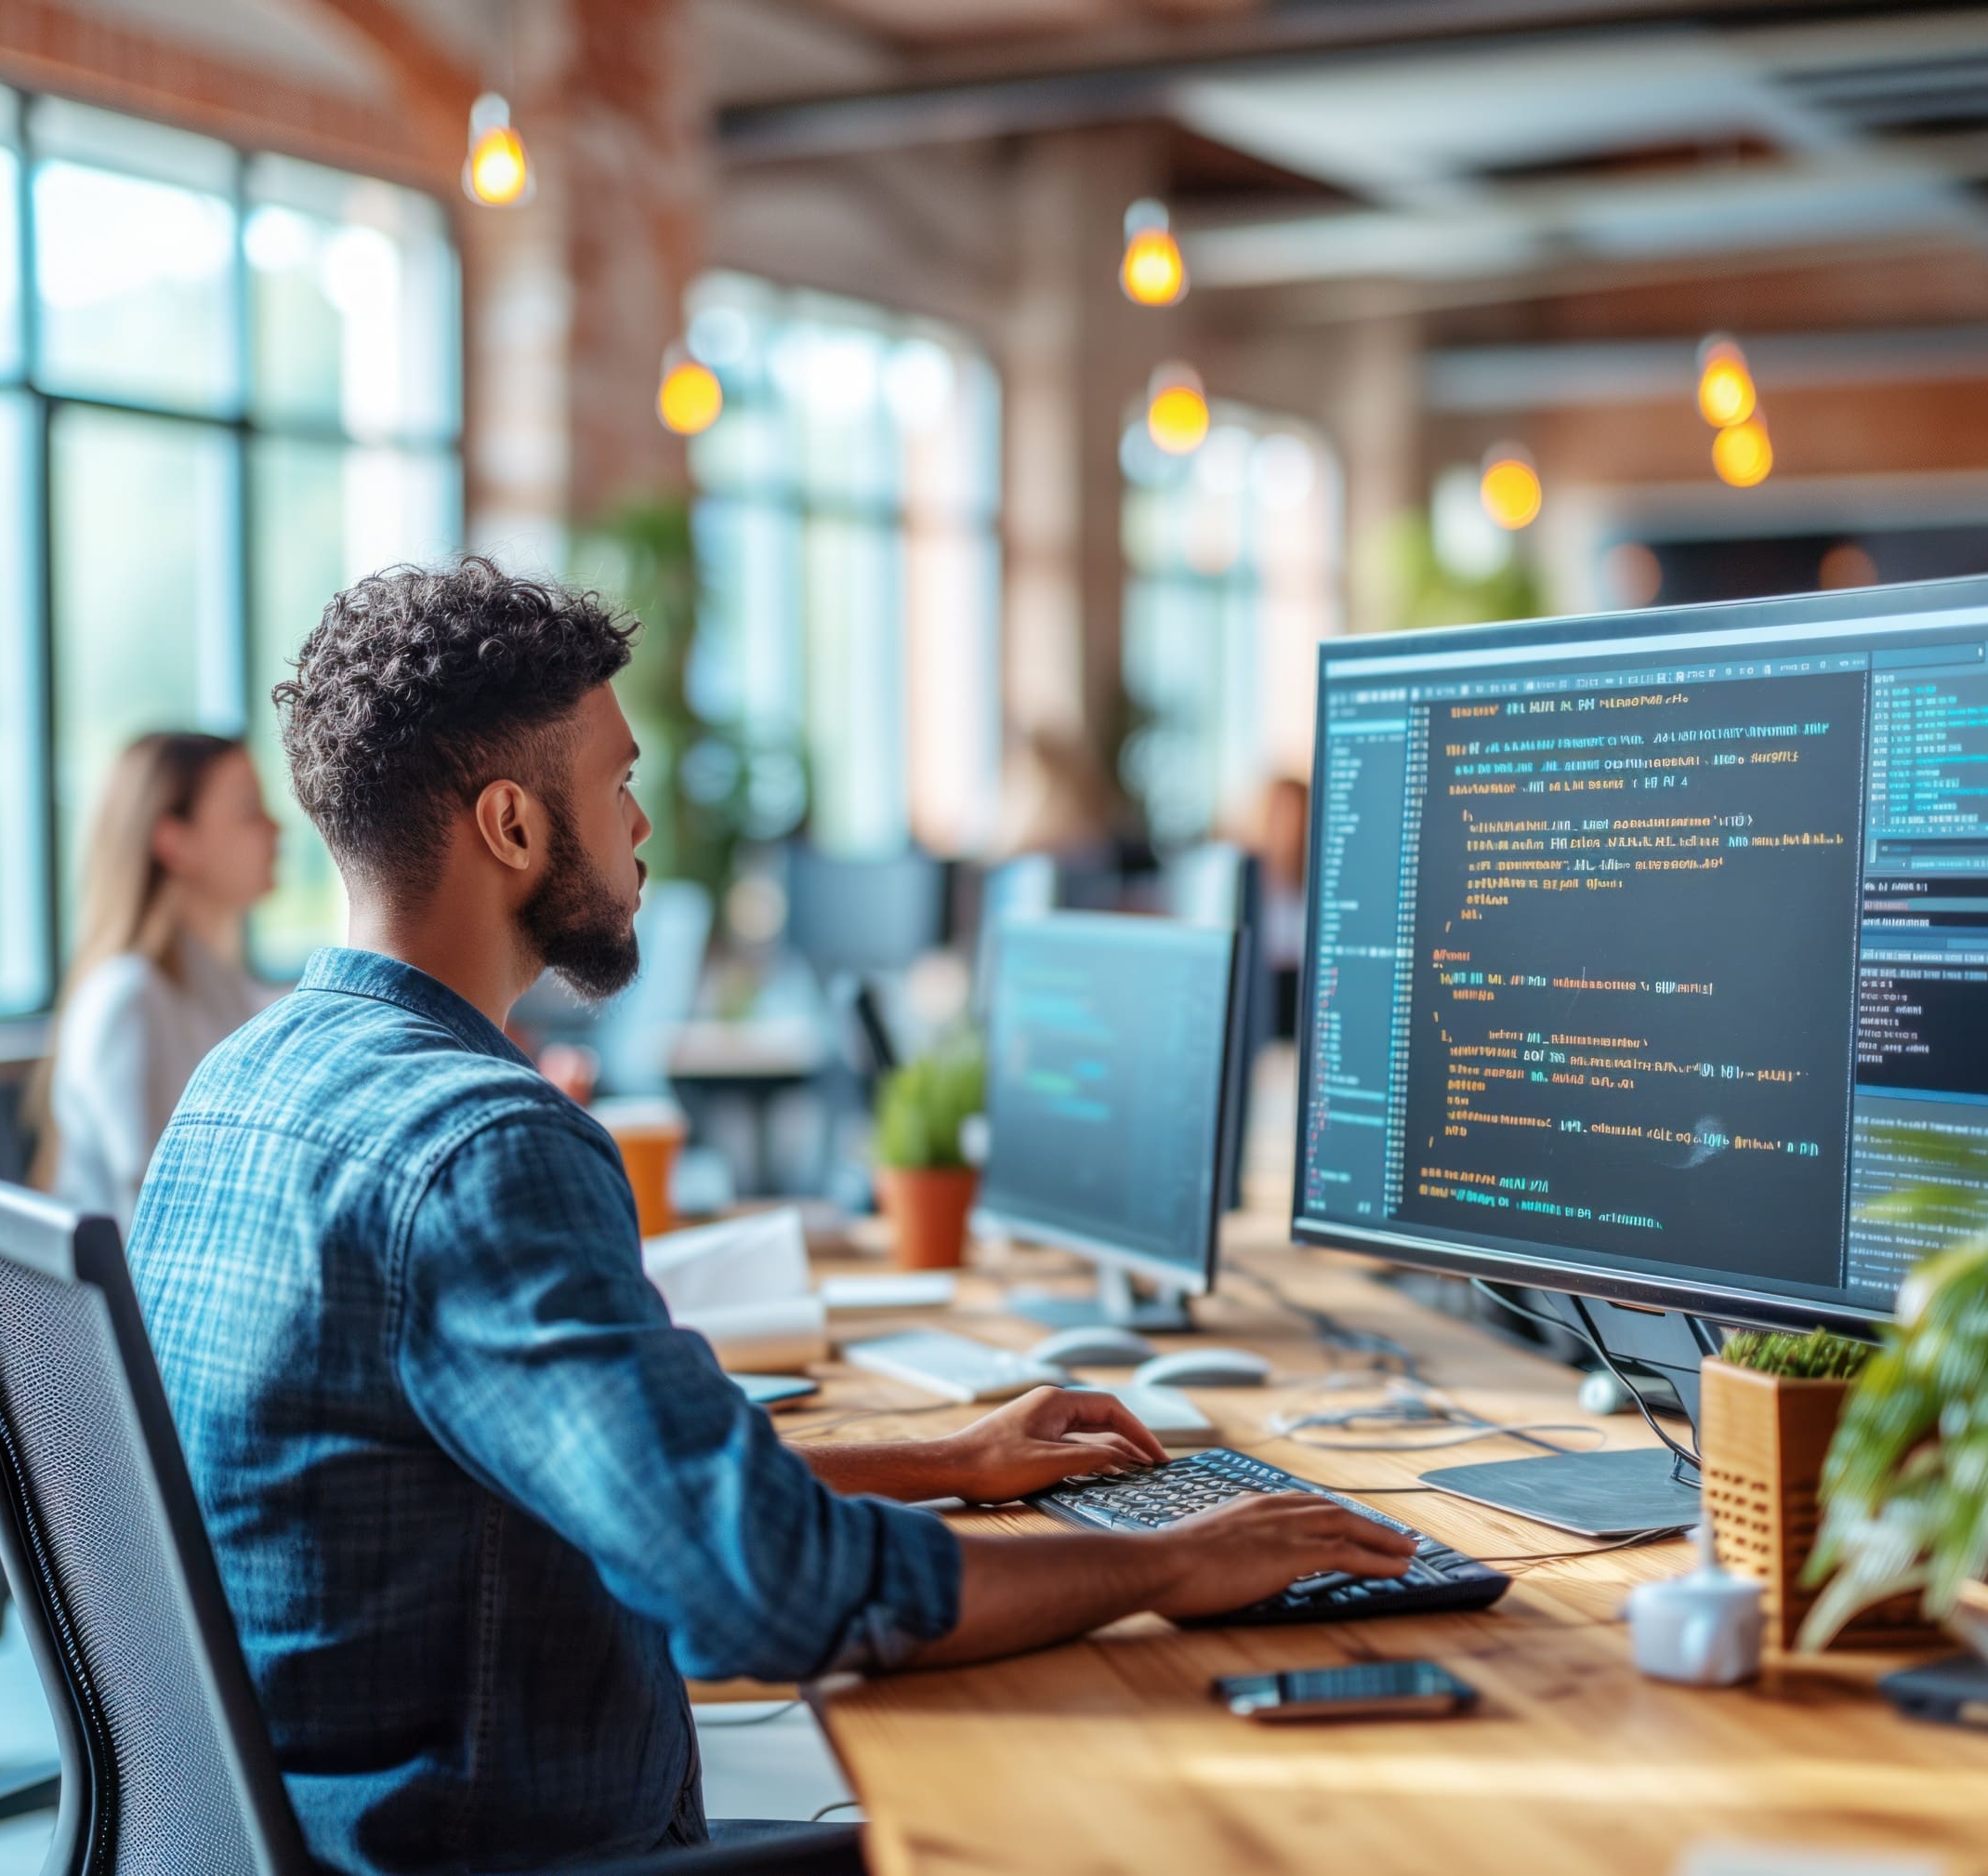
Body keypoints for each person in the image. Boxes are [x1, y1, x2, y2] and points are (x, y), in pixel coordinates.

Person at [126, 560, 1415, 1876]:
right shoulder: (486, 1145)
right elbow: (765, 1591)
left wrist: (949, 1458)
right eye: (618, 785)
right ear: (509, 824)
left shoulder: (237, 1081)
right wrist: (1174, 1565)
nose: (640, 827)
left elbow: (633, 1485)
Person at [41, 731, 283, 1222]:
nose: (275, 827)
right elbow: (161, 1216)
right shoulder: (129, 1000)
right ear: (174, 842)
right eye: (249, 810)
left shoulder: (233, 991)